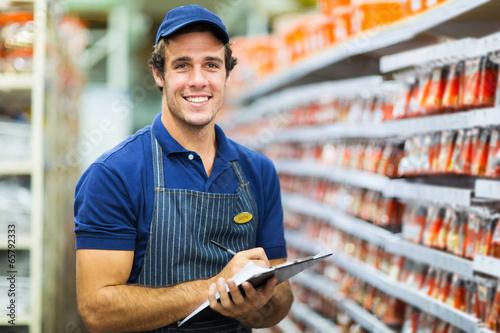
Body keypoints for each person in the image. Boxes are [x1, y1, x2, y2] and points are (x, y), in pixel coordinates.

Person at [74, 4, 294, 333]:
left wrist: (257, 304)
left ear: (226, 74)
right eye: (182, 65)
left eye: (211, 65)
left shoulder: (258, 171)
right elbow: (97, 310)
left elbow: (281, 295)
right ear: (158, 75)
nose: (198, 80)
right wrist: (215, 289)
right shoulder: (114, 174)